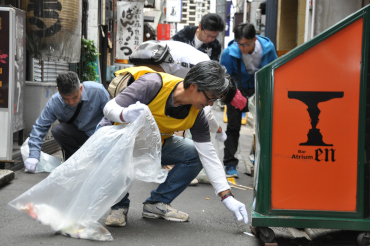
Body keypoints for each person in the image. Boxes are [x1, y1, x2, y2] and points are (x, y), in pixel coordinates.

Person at [100, 61, 248, 227]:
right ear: (193, 86)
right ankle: (119, 206)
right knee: (113, 153)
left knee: (194, 154)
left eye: (216, 99)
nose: (211, 104)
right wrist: (124, 114)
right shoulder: (153, 84)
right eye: (210, 97)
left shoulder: (197, 114)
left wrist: (226, 196)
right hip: (119, 140)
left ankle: (156, 204)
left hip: (152, 145)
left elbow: (209, 155)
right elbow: (109, 108)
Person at [220, 23, 278, 178]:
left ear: (255, 39)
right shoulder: (230, 53)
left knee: (263, 128)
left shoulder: (268, 49)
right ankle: (230, 163)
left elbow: (275, 71)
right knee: (233, 127)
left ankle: (256, 160)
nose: (242, 48)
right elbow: (225, 76)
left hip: (261, 90)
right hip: (237, 91)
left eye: (246, 44)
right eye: (239, 43)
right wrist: (233, 94)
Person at [24, 71, 110, 173]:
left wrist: (100, 135)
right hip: (79, 136)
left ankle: (98, 161)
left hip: (99, 136)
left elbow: (110, 116)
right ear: (58, 92)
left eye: (74, 97)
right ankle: (76, 162)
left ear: (81, 88)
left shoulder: (98, 91)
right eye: (66, 99)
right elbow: (40, 127)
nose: (71, 102)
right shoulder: (55, 102)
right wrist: (33, 156)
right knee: (58, 130)